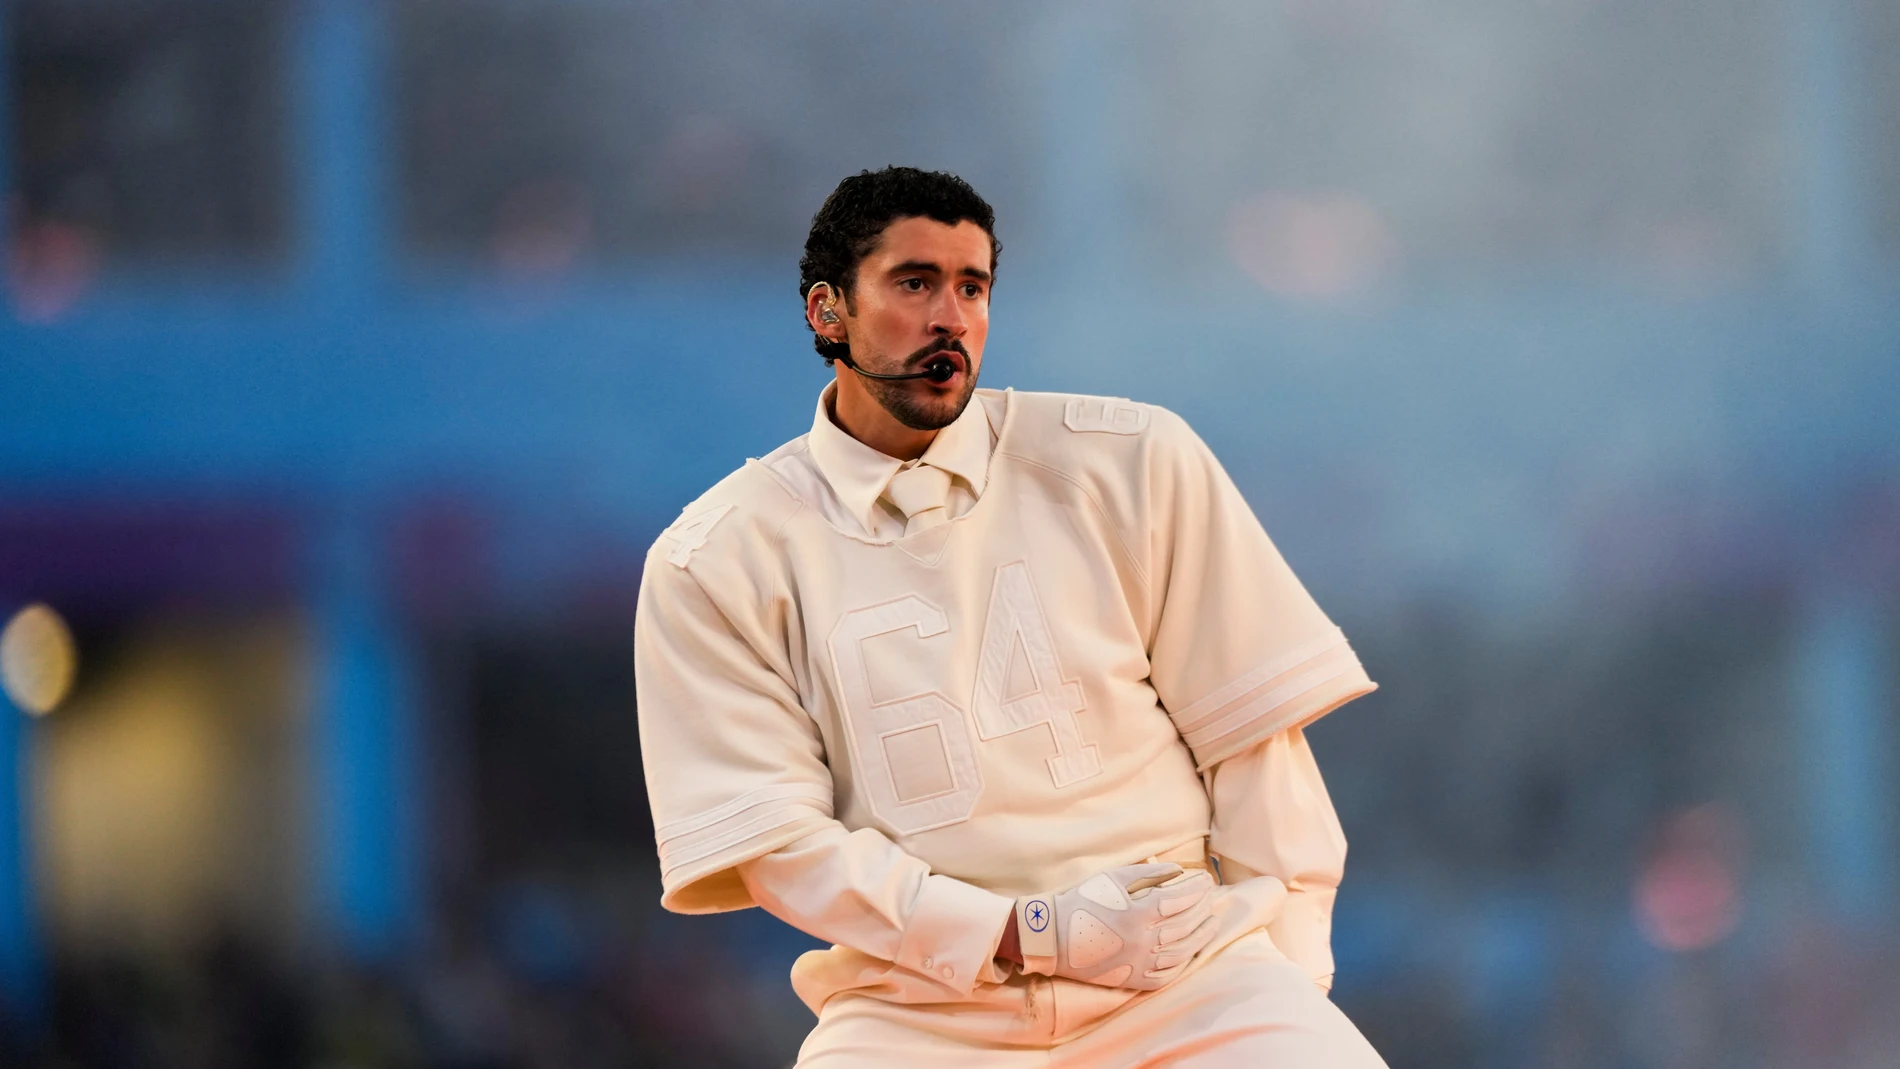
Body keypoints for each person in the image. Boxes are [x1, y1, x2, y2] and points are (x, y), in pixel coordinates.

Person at [635, 166, 1388, 1066]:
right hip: (917, 1012)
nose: (951, 316)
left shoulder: (1130, 457)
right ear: (827, 311)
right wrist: (1026, 931)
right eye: (915, 282)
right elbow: (784, 852)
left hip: (1191, 980)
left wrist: (1291, 973)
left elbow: (1257, 746)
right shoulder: (713, 555)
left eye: (973, 286)